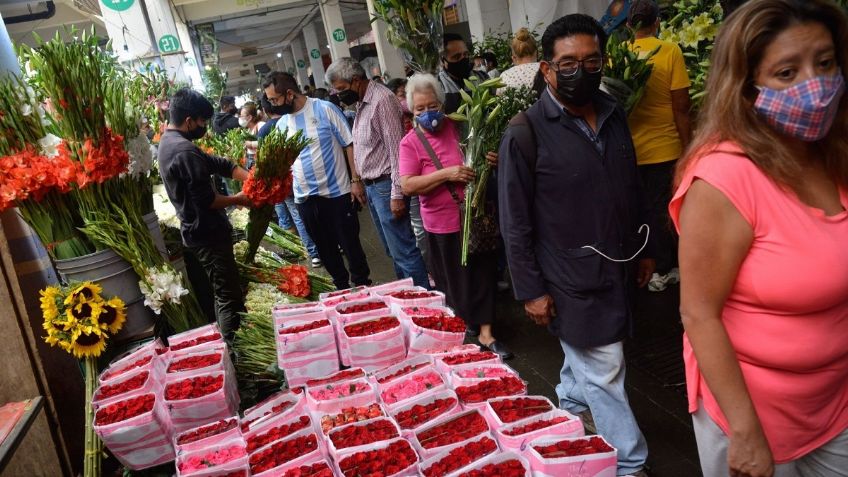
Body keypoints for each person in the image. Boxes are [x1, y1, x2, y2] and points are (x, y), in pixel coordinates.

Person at [670, 1, 848, 476]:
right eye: (787, 73)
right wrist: (745, 433)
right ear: (747, 89)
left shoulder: (834, 155)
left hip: (835, 403)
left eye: (825, 63)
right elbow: (699, 313)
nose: (815, 86)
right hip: (752, 411)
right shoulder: (723, 179)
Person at [499, 15, 652, 477]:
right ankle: (630, 462)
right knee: (605, 367)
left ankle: (570, 407)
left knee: (587, 358)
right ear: (547, 69)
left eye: (590, 61)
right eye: (567, 63)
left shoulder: (613, 113)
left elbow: (632, 186)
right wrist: (530, 289)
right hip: (567, 274)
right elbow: (514, 221)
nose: (579, 71)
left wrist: (646, 247)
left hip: (618, 264)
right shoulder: (524, 132)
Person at [399, 73, 513, 360]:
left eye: (433, 106)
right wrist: (446, 174)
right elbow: (408, 185)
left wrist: (492, 159)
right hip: (442, 224)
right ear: (411, 110)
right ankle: (466, 322)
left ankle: (487, 332)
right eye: (420, 109)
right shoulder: (410, 143)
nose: (428, 113)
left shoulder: (462, 126)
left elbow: (484, 154)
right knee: (455, 281)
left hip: (476, 217)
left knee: (484, 273)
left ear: (442, 103)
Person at [157, 88, 252, 343]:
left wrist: (251, 179)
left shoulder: (171, 142)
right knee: (227, 296)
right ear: (189, 121)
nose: (205, 126)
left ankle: (235, 344)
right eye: (202, 121)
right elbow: (207, 200)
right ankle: (233, 349)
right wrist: (239, 199)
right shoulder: (183, 151)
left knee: (225, 291)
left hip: (199, 232)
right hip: (206, 234)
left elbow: (219, 164)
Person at [326, 58, 430, 289]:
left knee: (404, 250)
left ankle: (423, 296)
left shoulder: (381, 100)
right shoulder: (362, 102)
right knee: (393, 250)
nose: (340, 95)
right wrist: (358, 180)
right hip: (374, 187)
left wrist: (396, 194)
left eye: (341, 88)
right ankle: (407, 293)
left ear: (356, 80)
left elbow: (396, 151)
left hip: (386, 186)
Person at [263, 71, 371, 289]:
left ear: (290, 94)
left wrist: (355, 179)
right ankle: (341, 287)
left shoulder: (325, 109)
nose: (272, 105)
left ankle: (363, 286)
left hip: (337, 194)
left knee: (351, 246)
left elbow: (349, 144)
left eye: (275, 100)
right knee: (325, 249)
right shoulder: (282, 124)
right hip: (305, 199)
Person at [625, 0, 692, 292]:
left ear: (629, 25)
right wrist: (689, 147)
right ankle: (663, 268)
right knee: (664, 210)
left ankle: (651, 265)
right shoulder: (669, 51)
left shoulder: (619, 56)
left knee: (641, 209)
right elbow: (682, 106)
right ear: (657, 23)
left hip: (630, 150)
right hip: (665, 147)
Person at [257, 95, 322, 267]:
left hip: (280, 181)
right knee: (311, 214)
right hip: (300, 177)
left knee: (292, 216)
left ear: (265, 110)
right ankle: (327, 247)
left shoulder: (265, 130)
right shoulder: (292, 121)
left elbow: (263, 159)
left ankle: (314, 253)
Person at [439, 33, 490, 114]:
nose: (463, 59)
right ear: (443, 61)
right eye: (456, 57)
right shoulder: (438, 85)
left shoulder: (482, 77)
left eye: (466, 54)